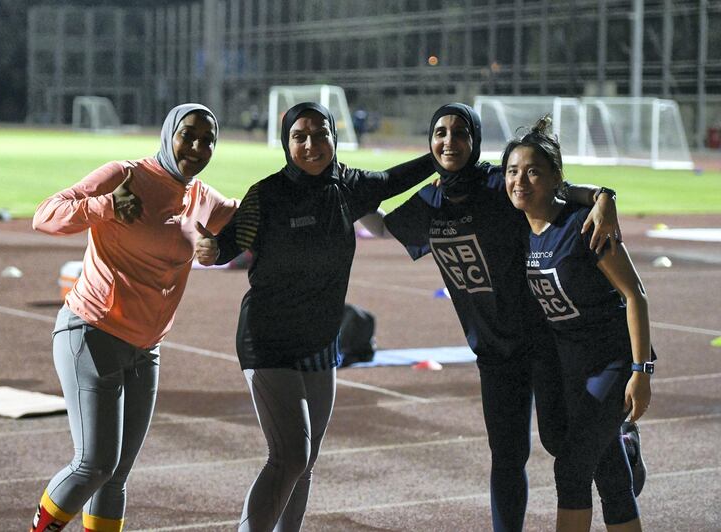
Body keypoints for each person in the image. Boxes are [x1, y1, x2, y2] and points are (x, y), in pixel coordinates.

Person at [194, 102, 435, 531]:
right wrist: (213, 249)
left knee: (305, 463)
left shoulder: (351, 185)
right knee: (290, 455)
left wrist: (442, 155)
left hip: (322, 340)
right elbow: (231, 241)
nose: (311, 144)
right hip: (269, 339)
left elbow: (395, 179)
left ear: (334, 138)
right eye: (299, 136)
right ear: (287, 143)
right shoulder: (266, 194)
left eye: (320, 134)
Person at [383, 103, 621, 532]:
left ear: (474, 140)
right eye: (440, 132)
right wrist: (350, 192)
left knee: (559, 440)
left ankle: (622, 458)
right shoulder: (430, 200)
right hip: (492, 349)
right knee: (507, 455)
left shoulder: (500, 183)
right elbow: (383, 227)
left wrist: (605, 196)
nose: (449, 141)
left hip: (542, 339)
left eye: (460, 133)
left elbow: (559, 191)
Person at [28, 103, 237, 532]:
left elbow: (250, 215)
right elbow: (44, 216)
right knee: (94, 464)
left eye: (207, 140)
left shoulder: (202, 198)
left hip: (146, 350)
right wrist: (104, 205)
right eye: (188, 135)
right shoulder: (124, 175)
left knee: (116, 474)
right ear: (168, 134)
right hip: (91, 333)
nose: (196, 146)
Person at [503, 116, 653, 532]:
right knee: (605, 473)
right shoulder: (518, 227)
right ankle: (623, 444)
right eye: (513, 171)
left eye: (533, 171)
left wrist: (642, 371)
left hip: (613, 361)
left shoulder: (584, 225)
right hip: (570, 363)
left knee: (571, 469)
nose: (520, 181)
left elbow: (634, 295)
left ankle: (621, 437)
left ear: (556, 179)